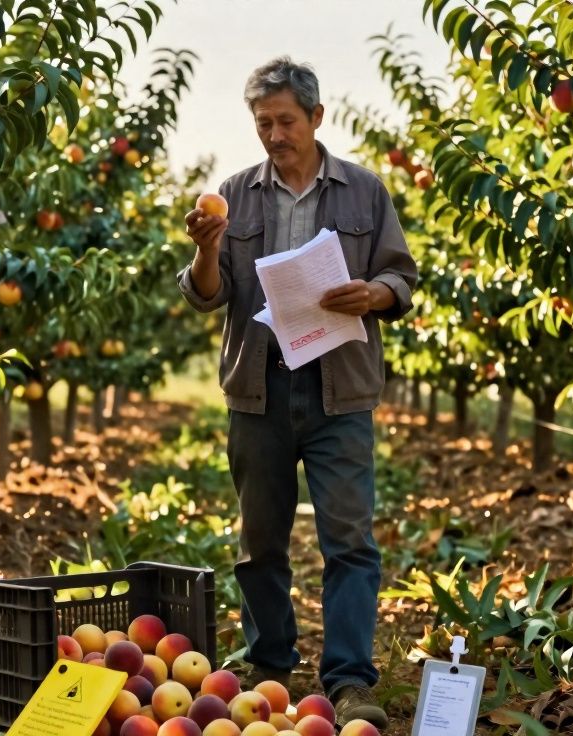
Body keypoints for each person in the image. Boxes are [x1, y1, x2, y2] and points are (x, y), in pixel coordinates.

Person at [177, 57, 418, 729]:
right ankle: (270, 665)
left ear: (316, 117)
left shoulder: (363, 192)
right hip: (259, 388)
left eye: (286, 121)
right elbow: (208, 295)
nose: (275, 135)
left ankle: (347, 679)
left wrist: (372, 293)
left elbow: (400, 276)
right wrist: (205, 249)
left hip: (339, 388)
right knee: (260, 542)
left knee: (349, 540)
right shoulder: (234, 194)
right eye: (263, 124)